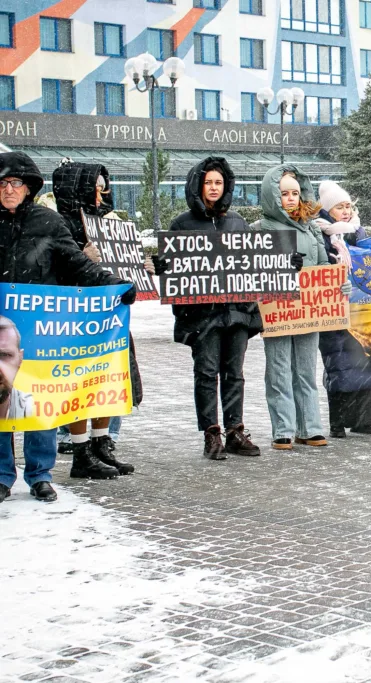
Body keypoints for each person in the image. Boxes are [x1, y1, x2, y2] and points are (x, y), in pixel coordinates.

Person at [0, 151, 137, 504]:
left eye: (15, 183)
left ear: (29, 187)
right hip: (1, 332)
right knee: (1, 403)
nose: (8, 190)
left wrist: (114, 285)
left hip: (39, 330)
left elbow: (77, 265)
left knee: (39, 403)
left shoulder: (47, 222)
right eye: (2, 184)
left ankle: (40, 475)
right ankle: (2, 475)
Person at [149, 157, 263, 460]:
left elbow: (258, 263)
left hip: (237, 310)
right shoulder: (182, 224)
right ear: (198, 185)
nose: (213, 187)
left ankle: (235, 431)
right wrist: (163, 266)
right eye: (208, 182)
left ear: (226, 186)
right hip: (203, 314)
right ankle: (211, 433)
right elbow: (174, 269)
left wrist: (287, 264)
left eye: (218, 182)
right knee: (206, 373)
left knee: (234, 373)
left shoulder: (238, 222)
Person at [52, 160, 135, 477]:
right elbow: (58, 267)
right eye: (95, 187)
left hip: (109, 316)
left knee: (108, 378)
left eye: (105, 186)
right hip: (76, 316)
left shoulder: (108, 223)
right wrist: (83, 258)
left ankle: (102, 444)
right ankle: (81, 450)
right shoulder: (59, 224)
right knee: (80, 383)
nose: (101, 193)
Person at [257, 164, 330, 450]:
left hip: (310, 309)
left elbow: (324, 265)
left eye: (295, 193)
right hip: (278, 308)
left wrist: (337, 284)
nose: (290, 198)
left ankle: (310, 427)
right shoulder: (261, 228)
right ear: (272, 195)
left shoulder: (311, 227)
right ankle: (283, 429)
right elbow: (251, 267)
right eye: (284, 193)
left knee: (305, 370)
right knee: (278, 369)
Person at [313, 180, 371, 438]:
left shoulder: (359, 233)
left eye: (348, 206)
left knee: (365, 361)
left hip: (360, 310)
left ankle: (364, 419)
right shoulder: (319, 233)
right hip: (332, 310)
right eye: (339, 207)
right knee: (339, 366)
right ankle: (337, 421)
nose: (345, 211)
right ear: (327, 211)